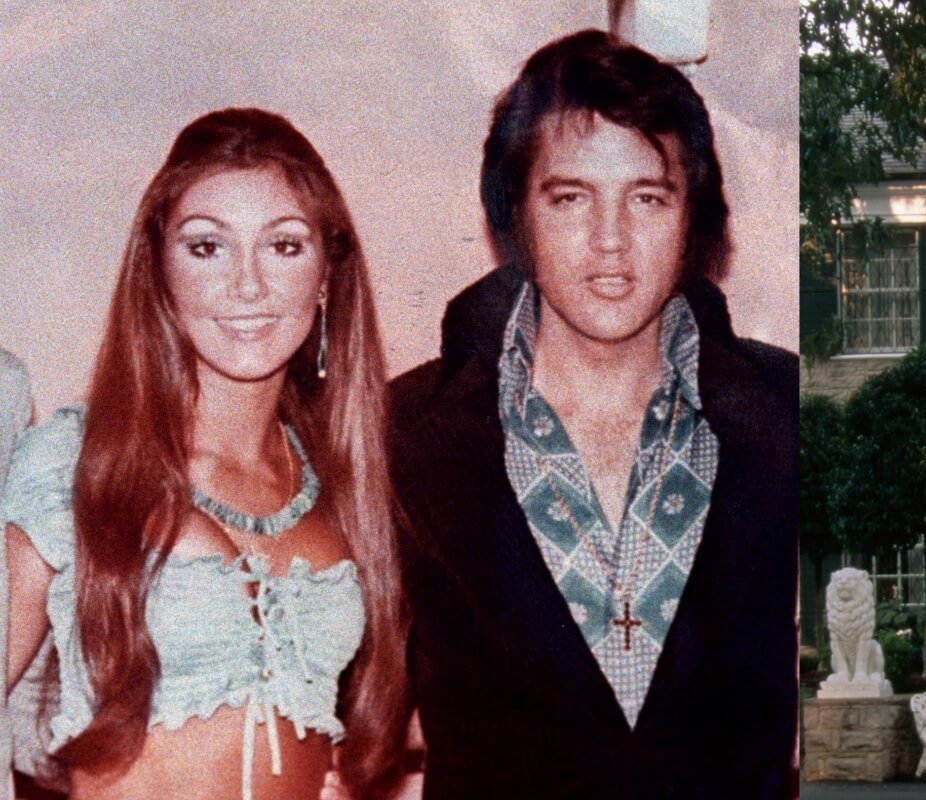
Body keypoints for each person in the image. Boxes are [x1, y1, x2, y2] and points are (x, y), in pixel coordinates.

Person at [389, 30, 798, 797]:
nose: (610, 242)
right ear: (516, 212)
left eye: (646, 198)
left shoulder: (784, 415)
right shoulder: (401, 434)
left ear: (691, 217)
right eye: (571, 198)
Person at [1, 109, 409, 800]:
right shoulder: (74, 464)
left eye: (283, 246)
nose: (247, 286)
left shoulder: (344, 478)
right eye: (206, 247)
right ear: (158, 270)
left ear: (327, 276)